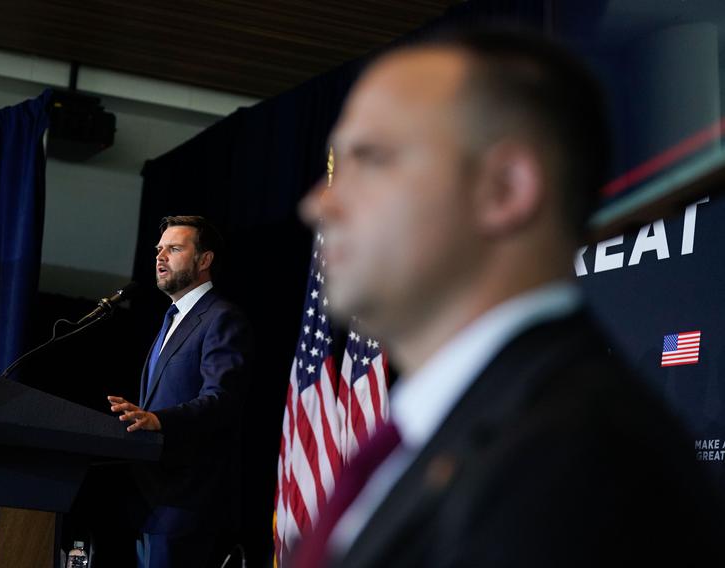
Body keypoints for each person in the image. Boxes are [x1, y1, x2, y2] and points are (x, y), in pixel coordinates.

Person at [295, 26, 724, 567]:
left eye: (370, 158)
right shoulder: (449, 431)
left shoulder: (579, 465)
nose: (318, 205)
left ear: (506, 188)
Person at [107, 215, 252, 568]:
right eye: (159, 249)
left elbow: (222, 400)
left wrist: (158, 420)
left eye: (174, 249)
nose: (160, 257)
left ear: (205, 260)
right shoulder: (172, 319)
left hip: (185, 503)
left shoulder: (221, 318)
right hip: (149, 500)